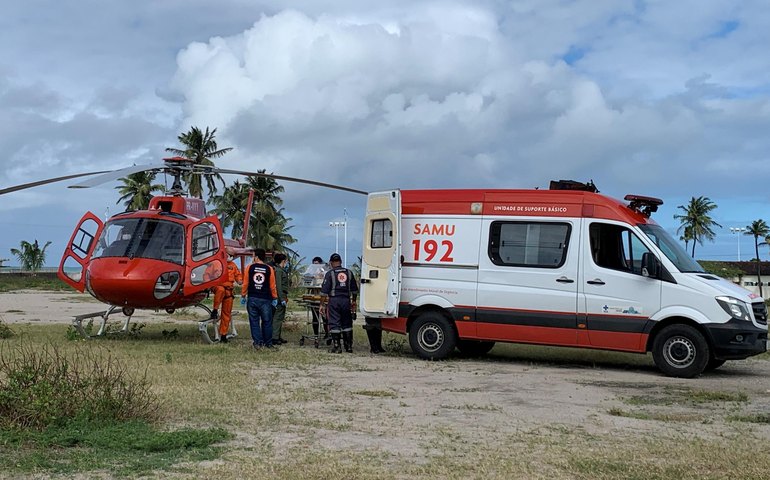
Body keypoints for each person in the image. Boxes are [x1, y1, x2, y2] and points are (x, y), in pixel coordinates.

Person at [319, 253, 358, 353]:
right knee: (347, 323)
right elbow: (354, 290)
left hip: (334, 301)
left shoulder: (330, 274)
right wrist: (353, 301)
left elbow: (324, 292)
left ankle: (337, 346)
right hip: (346, 300)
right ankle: (348, 346)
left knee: (334, 322)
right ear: (341, 262)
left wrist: (322, 305)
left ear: (331, 263)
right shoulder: (349, 273)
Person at [241, 248, 278, 349]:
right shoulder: (269, 268)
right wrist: (274, 298)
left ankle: (258, 343)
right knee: (267, 322)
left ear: (256, 257)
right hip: (266, 299)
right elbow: (272, 285)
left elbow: (245, 283)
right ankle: (268, 343)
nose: (252, 258)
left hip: (252, 298)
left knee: (254, 322)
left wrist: (243, 295)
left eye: (253, 256)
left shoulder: (249, 268)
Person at [216, 249, 242, 343]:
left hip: (229, 292)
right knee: (220, 290)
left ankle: (223, 335)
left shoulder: (233, 266)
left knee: (226, 315)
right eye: (229, 254)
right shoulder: (216, 263)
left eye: (231, 255)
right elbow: (208, 274)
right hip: (219, 289)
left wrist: (240, 281)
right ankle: (214, 310)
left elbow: (238, 276)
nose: (230, 256)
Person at [270, 253, 290, 345]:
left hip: (281, 296)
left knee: (280, 317)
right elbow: (278, 286)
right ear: (283, 261)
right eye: (286, 261)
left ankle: (277, 336)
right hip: (279, 297)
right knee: (277, 318)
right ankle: (274, 337)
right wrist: (281, 298)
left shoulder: (281, 270)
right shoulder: (278, 271)